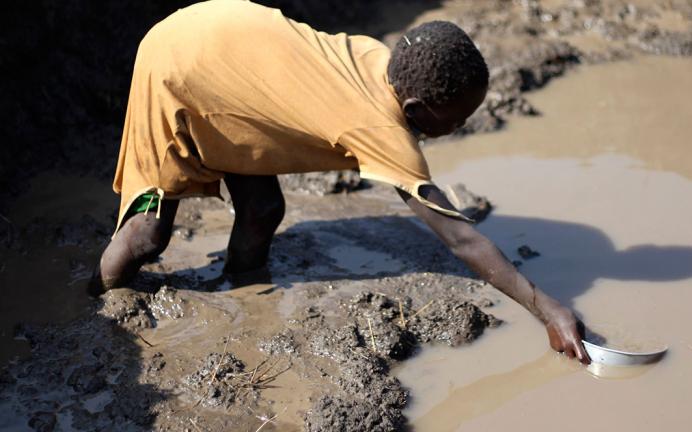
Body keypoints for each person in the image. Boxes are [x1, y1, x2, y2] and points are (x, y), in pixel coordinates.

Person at [91, 0, 590, 364]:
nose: (459, 129)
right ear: (415, 109)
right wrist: (543, 306)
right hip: (179, 63)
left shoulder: (383, 64)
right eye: (455, 121)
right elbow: (460, 237)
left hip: (229, 52)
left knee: (263, 209)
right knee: (148, 235)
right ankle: (96, 301)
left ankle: (243, 285)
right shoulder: (380, 129)